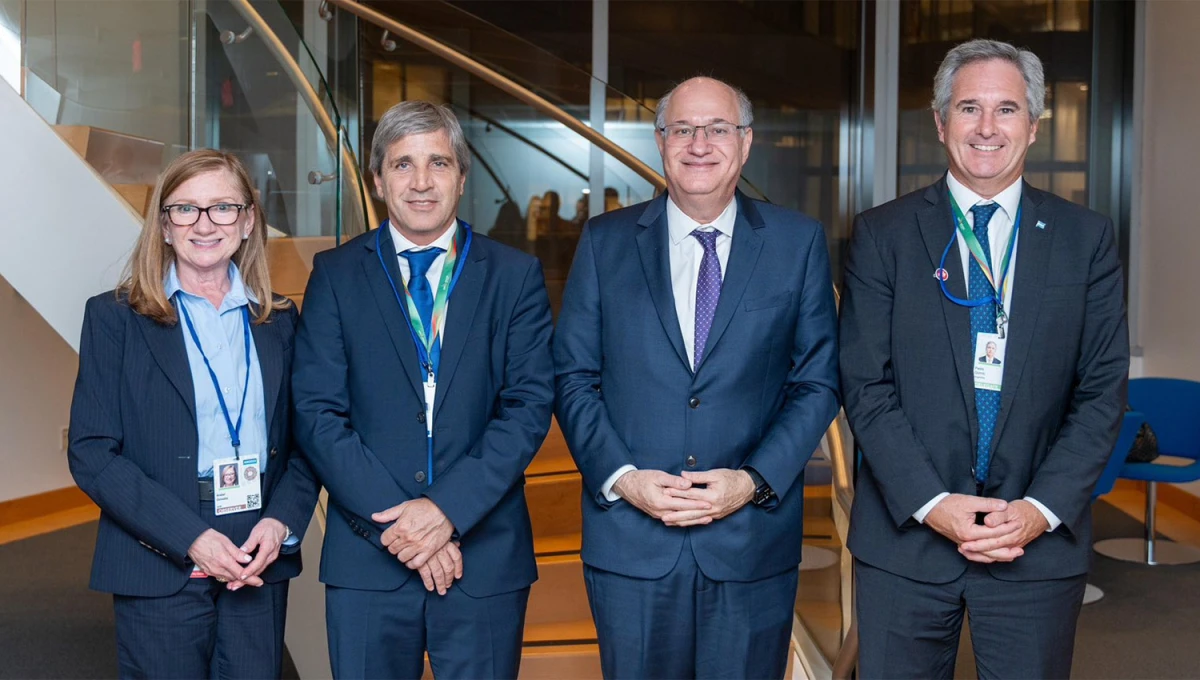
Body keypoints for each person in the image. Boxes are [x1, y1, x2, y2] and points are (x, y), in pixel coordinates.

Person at [839, 39, 1128, 679]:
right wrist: (930, 501)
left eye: (1007, 109)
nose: (988, 127)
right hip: (906, 542)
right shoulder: (883, 235)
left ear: (1033, 125)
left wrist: (1037, 510)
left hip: (1036, 544)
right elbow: (866, 385)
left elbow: (1102, 391)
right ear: (942, 123)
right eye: (969, 108)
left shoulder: (1086, 239)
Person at [554, 77, 840, 678]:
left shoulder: (797, 243)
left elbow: (816, 382)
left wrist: (752, 481)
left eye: (718, 129)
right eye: (683, 129)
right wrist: (625, 480)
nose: (699, 144)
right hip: (632, 545)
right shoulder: (605, 242)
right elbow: (573, 377)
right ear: (661, 142)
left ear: (746, 142)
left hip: (750, 542)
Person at [292, 101, 554, 679]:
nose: (421, 182)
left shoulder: (514, 276)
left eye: (438, 163)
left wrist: (446, 511)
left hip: (484, 557)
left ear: (462, 176)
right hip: (368, 557)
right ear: (378, 180)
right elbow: (317, 414)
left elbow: (528, 408)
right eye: (402, 164)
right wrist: (406, 529)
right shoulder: (334, 276)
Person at [67, 149, 319, 678]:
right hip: (158, 561)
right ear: (163, 225)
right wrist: (192, 539)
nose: (205, 224)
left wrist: (279, 524)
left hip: (257, 560)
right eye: (185, 209)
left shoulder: (280, 321)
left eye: (223, 207)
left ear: (248, 220)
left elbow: (306, 443)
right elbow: (93, 452)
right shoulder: (115, 318)